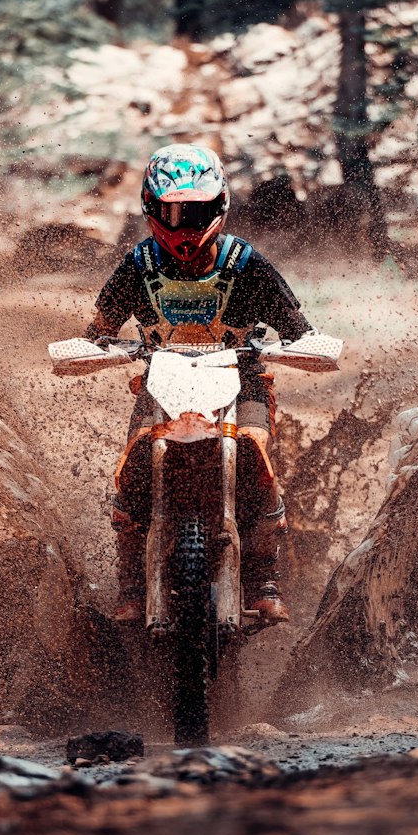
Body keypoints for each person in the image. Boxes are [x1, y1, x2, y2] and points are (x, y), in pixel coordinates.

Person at [86, 142, 319, 626]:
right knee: (134, 465)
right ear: (151, 208)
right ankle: (132, 582)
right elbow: (99, 330)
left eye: (194, 213)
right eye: (171, 213)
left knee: (254, 453)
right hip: (161, 385)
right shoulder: (138, 266)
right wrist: (88, 349)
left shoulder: (245, 264)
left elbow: (298, 327)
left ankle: (264, 580)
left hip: (242, 383)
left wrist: (305, 345)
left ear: (219, 208)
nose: (182, 226)